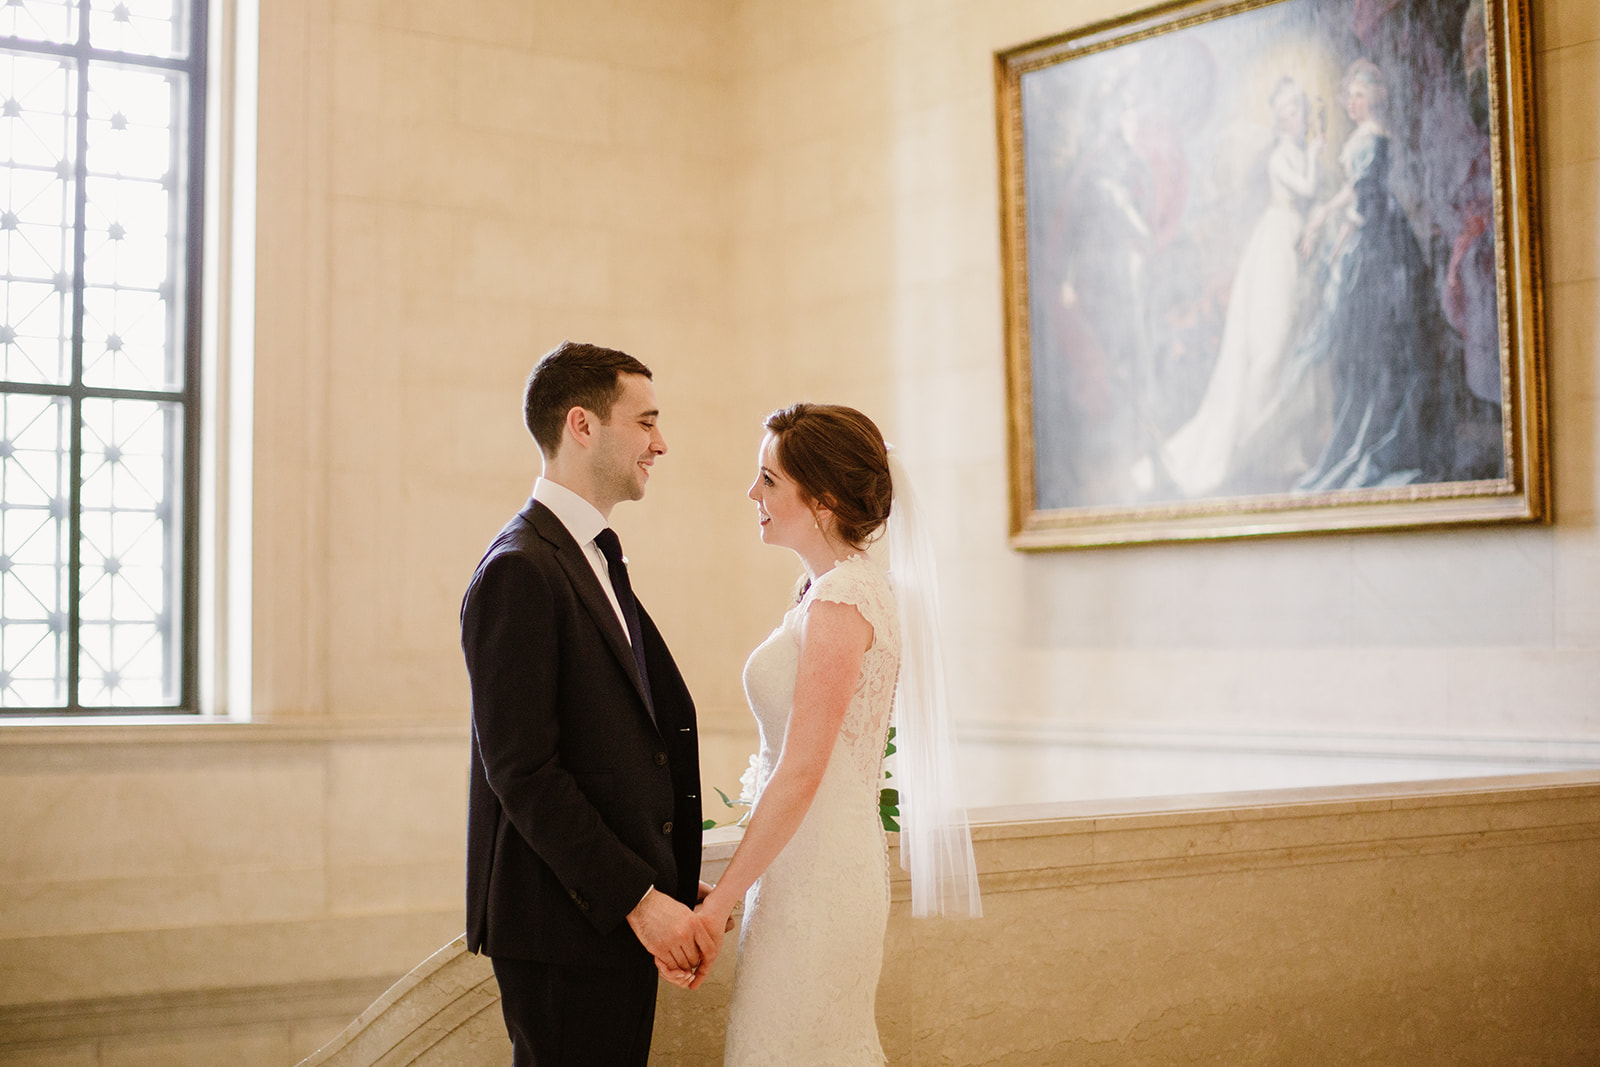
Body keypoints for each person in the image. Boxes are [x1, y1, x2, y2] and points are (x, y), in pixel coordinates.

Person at [663, 403, 981, 1064]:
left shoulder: (843, 602)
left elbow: (804, 769)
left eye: (769, 480)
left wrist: (718, 900)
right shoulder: (827, 593)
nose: (753, 494)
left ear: (824, 500)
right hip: (802, 868)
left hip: (820, 880)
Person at [460, 340, 712, 1066]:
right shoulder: (519, 568)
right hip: (562, 928)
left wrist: (665, 867)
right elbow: (525, 772)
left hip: (601, 920)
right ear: (582, 425)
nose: (660, 443)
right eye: (646, 422)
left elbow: (612, 743)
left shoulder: (588, 553)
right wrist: (639, 896)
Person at [1149, 76, 1322, 497]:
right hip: (1275, 249)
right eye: (1284, 113)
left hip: (1294, 245)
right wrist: (1316, 153)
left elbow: (1316, 200)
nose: (1291, 119)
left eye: (1296, 110)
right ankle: (1240, 441)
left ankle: (1279, 448)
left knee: (1292, 346)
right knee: (1270, 346)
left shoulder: (1297, 150)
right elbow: (1308, 188)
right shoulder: (1282, 156)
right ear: (1278, 120)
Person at [1289, 59, 1448, 491]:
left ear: (1375, 97)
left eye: (1358, 95)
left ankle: (1375, 450)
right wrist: (1325, 212)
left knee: (1377, 357)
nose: (1351, 103)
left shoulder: (1373, 140)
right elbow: (1356, 190)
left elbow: (1369, 205)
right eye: (1349, 96)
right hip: (1381, 244)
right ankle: (1360, 447)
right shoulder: (1368, 138)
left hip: (1381, 255)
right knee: (1370, 358)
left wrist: (1339, 238)